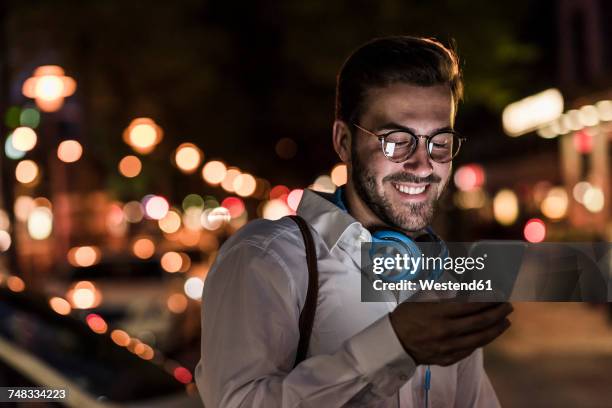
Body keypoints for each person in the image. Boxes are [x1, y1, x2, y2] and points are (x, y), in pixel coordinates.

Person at [195, 36, 513, 407]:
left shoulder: (441, 277)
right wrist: (393, 346)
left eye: (438, 143)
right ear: (344, 142)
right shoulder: (267, 258)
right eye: (397, 141)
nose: (424, 165)